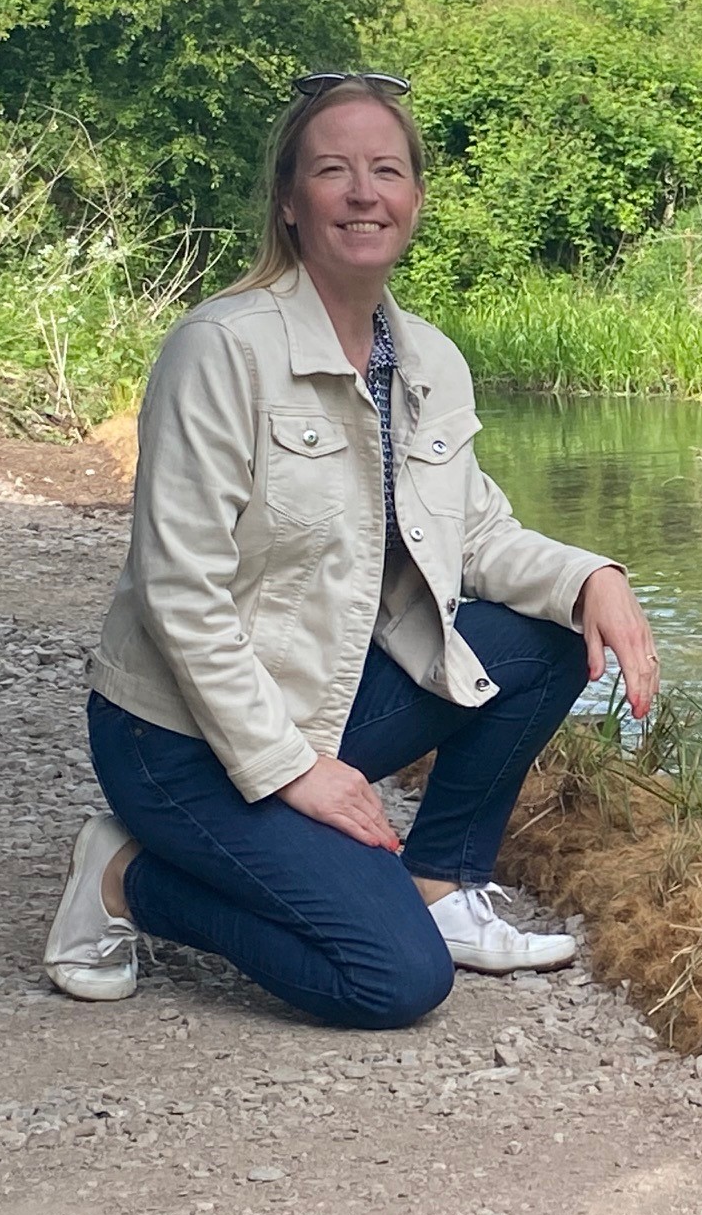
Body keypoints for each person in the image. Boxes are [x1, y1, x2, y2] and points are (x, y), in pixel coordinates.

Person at [42, 72, 658, 1028]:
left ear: (414, 198)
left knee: (538, 640)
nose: (364, 193)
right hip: (178, 738)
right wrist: (292, 769)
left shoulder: (427, 361)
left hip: (322, 705)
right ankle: (124, 877)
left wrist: (593, 578)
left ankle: (442, 886)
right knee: (391, 982)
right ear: (290, 202)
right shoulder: (220, 350)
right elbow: (179, 592)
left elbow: (477, 534)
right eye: (334, 171)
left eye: (387, 170)